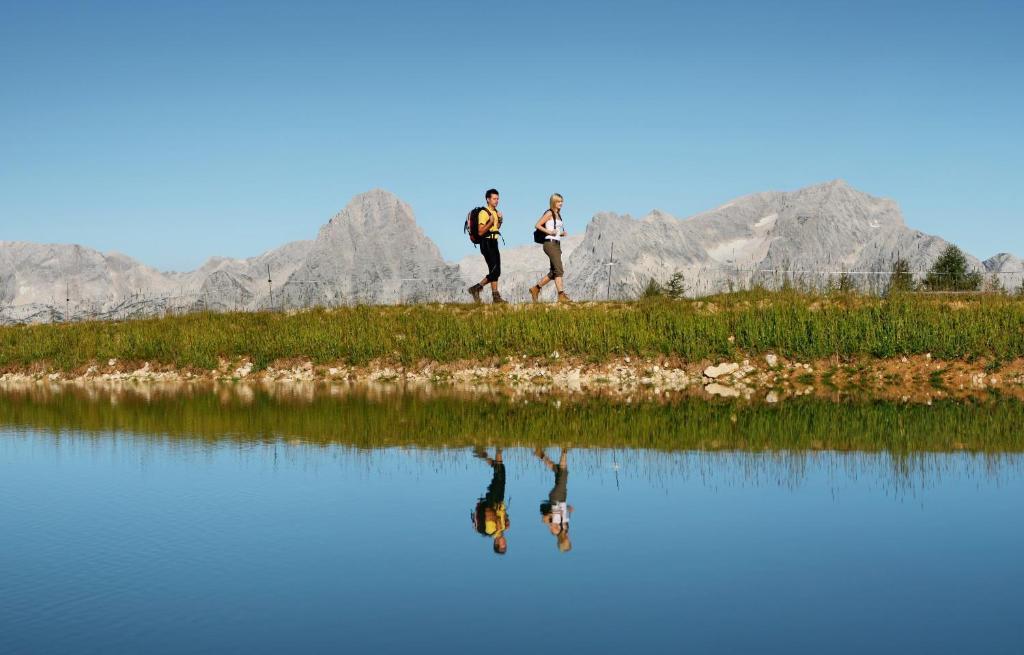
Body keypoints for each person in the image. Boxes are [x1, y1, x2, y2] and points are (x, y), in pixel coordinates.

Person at [529, 193, 571, 303]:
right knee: (559, 270)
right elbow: (537, 225)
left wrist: (560, 234)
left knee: (554, 272)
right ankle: (561, 295)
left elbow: (554, 229)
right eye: (558, 201)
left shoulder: (558, 214)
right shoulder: (549, 213)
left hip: (556, 243)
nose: (561, 203)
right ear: (553, 202)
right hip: (550, 244)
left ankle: (535, 289)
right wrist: (549, 232)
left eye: (561, 201)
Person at [467, 189, 507, 304]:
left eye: (498, 199)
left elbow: (496, 228)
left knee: (494, 270)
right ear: (488, 199)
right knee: (496, 271)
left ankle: (495, 297)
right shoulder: (484, 213)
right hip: (487, 243)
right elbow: (480, 231)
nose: (497, 201)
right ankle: (476, 288)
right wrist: (490, 222)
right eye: (494, 199)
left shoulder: (495, 211)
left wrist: (500, 220)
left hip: (494, 242)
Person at [471, 447, 510, 554]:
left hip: (492, 501)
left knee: (500, 473)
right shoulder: (501, 529)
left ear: (496, 543)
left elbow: (488, 511)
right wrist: (506, 519)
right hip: (499, 500)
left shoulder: (491, 530)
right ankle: (485, 456)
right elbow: (502, 513)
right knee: (500, 473)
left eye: (503, 544)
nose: (505, 542)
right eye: (505, 545)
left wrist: (497, 520)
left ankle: (499, 449)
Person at [536, 446, 573, 552]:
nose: (569, 539)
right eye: (569, 541)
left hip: (555, 499)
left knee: (563, 475)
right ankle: (540, 454)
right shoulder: (566, 530)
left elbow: (544, 519)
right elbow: (563, 515)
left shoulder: (556, 531)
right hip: (562, 499)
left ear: (562, 541)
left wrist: (552, 515)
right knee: (558, 472)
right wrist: (568, 509)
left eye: (567, 541)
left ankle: (564, 449)